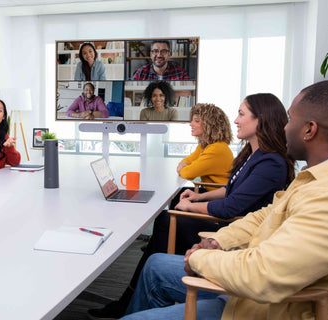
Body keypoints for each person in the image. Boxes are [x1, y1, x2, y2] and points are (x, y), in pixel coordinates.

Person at [121, 80, 328, 320]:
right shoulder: (310, 178)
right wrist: (217, 241)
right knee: (155, 264)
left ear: (309, 130)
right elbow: (264, 215)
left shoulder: (327, 196)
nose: (284, 127)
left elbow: (262, 274)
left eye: (291, 119)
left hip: (257, 306)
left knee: (166, 226)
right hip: (244, 277)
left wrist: (202, 257)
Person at [88, 93, 294, 320]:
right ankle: (137, 294)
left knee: (167, 220)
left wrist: (190, 207)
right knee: (169, 218)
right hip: (229, 221)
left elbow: (230, 207)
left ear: (261, 120)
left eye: (241, 114)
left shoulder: (270, 163)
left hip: (233, 229)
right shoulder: (252, 154)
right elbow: (231, 189)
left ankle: (135, 296)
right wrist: (196, 199)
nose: (235, 120)